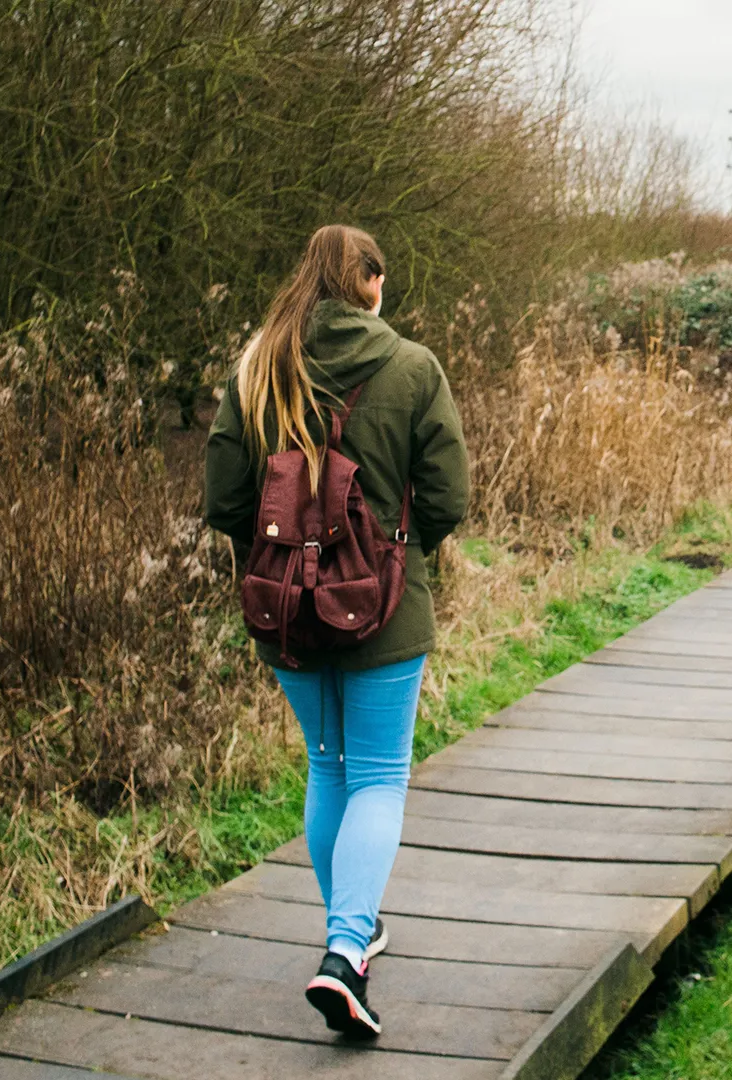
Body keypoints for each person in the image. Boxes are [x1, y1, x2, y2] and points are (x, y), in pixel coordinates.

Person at [202, 224, 469, 1037]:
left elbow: (223, 499)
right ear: (370, 285)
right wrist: (391, 544)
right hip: (384, 609)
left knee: (329, 766)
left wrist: (290, 558)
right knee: (381, 775)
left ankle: (348, 934)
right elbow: (449, 496)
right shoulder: (413, 368)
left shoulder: (259, 370)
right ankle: (347, 948)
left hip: (284, 610)